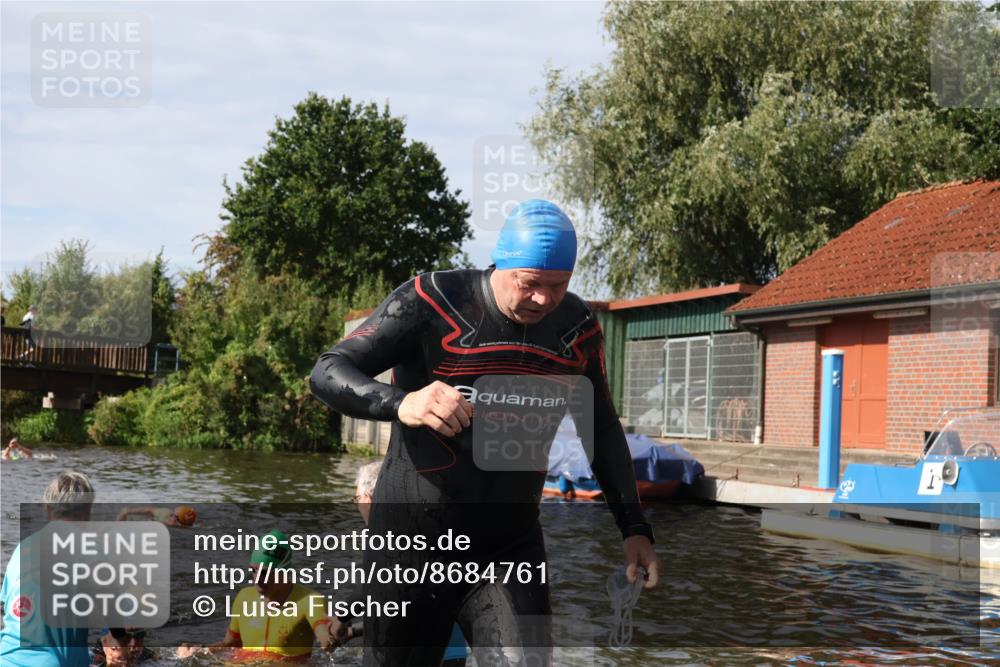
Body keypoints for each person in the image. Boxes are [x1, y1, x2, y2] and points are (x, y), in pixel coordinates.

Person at [310, 199, 660, 666]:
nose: (544, 299)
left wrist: (634, 528)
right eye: (531, 284)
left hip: (508, 544)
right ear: (503, 266)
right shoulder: (432, 300)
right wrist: (404, 402)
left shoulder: (576, 328)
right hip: (410, 547)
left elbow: (601, 427)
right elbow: (327, 370)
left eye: (559, 285)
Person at [335, 461, 470, 666]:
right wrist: (355, 631)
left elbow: (375, 584)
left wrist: (341, 617)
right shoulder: (428, 524)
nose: (357, 504)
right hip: (454, 651)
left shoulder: (392, 533)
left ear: (370, 499)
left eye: (357, 498)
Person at [176, 530, 334, 662]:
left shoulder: (310, 600)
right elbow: (231, 644)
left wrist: (329, 636)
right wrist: (200, 650)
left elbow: (325, 636)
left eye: (265, 572)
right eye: (253, 570)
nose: (257, 579)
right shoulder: (244, 597)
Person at [1, 471, 96, 667]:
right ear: (88, 510)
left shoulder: (23, 548)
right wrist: (119, 639)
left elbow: (8, 607)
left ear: (47, 508)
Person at [116, 505, 196, 527]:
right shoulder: (164, 513)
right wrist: (128, 511)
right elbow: (150, 510)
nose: (171, 518)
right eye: (172, 515)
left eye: (175, 517)